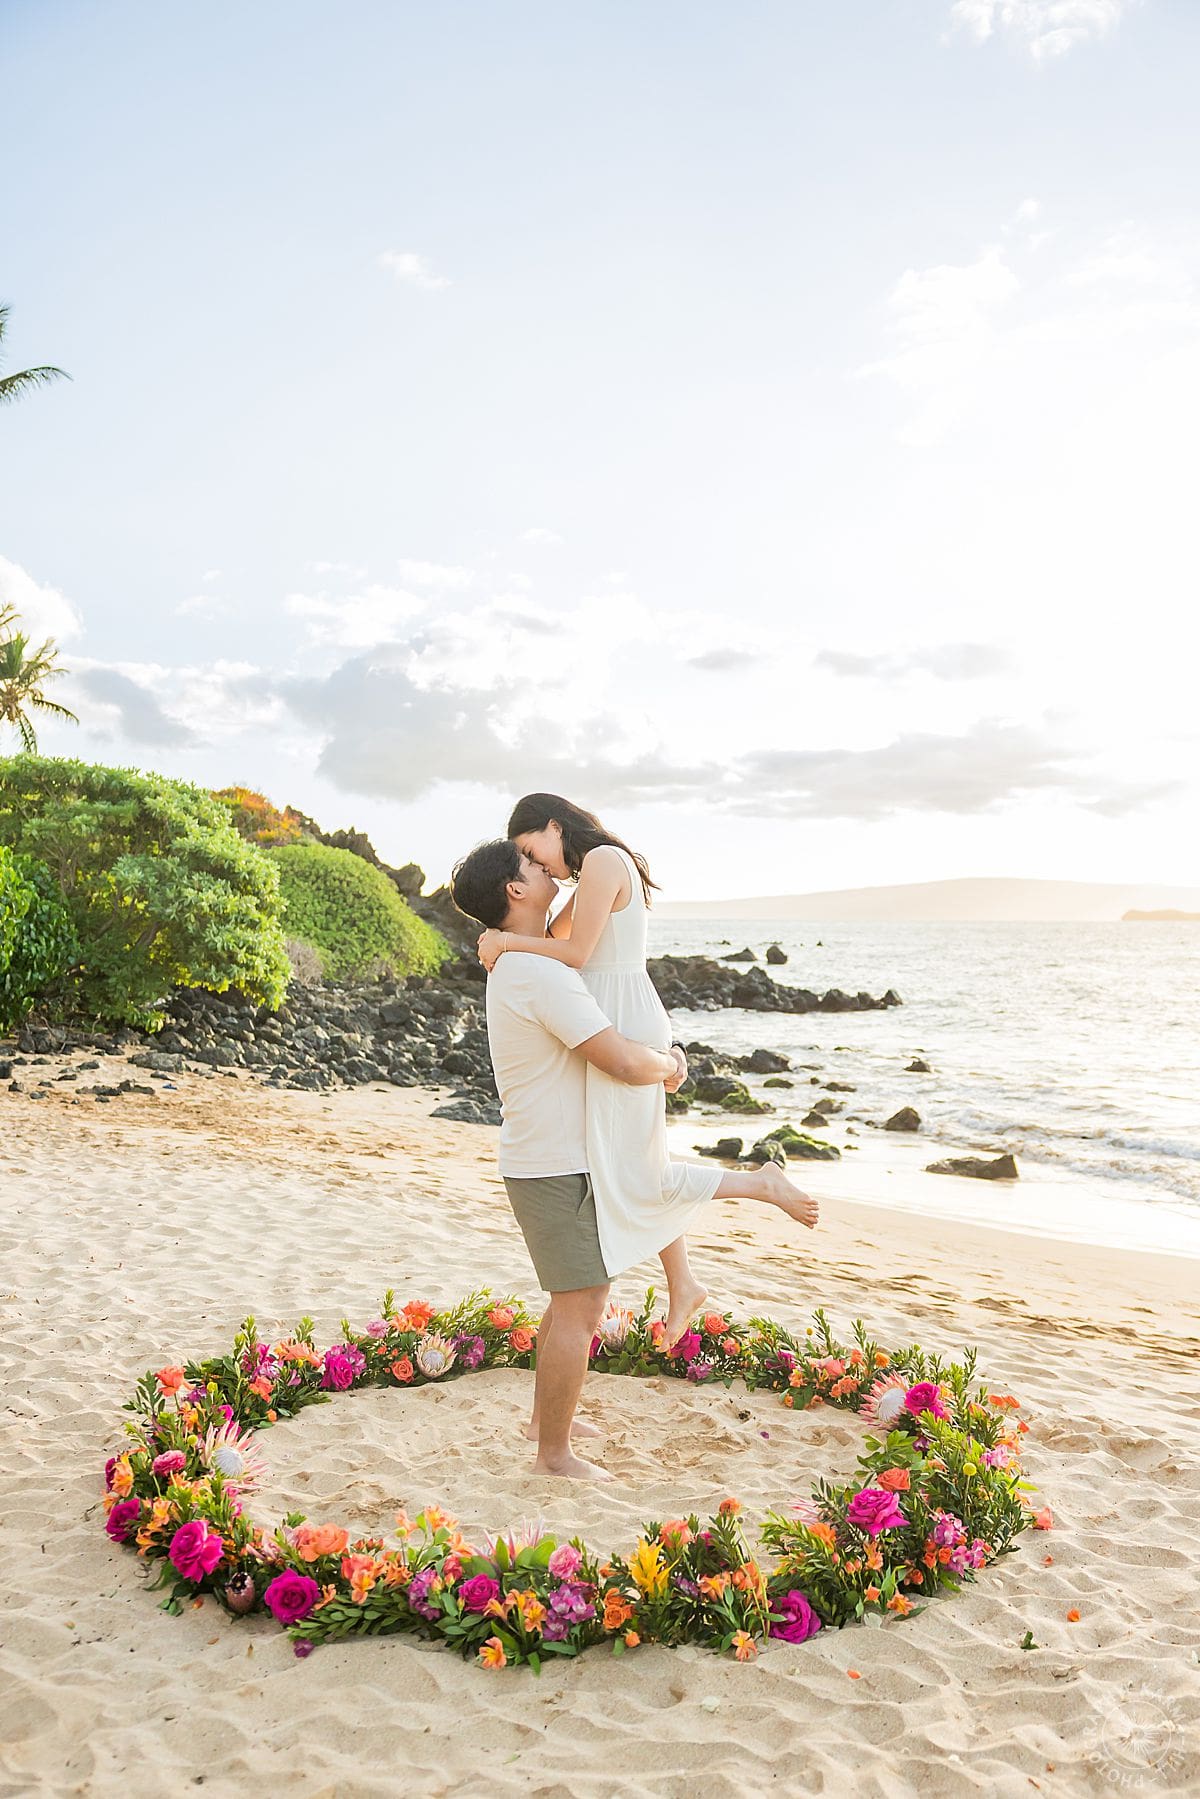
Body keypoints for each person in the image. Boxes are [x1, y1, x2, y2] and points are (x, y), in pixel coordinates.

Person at [452, 838, 820, 1482]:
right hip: (554, 1163)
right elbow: (620, 1058)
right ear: (516, 891)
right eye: (534, 868)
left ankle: (546, 1425)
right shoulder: (536, 974)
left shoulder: (527, 965)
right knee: (581, 1306)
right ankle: (554, 1456)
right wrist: (671, 1066)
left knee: (571, 1300)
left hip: (554, 1155)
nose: (547, 870)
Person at [472, 794, 719, 1346]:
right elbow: (553, 940)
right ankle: (683, 1282)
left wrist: (507, 940)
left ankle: (698, 1264)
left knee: (636, 1160)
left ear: (555, 826)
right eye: (526, 863)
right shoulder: (588, 878)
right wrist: (508, 940)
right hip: (608, 1012)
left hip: (624, 1015)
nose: (538, 866)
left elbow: (577, 953)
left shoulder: (605, 860)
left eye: (534, 850)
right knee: (630, 1157)